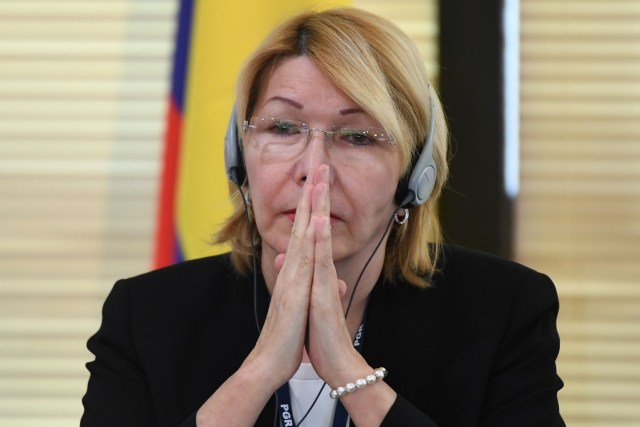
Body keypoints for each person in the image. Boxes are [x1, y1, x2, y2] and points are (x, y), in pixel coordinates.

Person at [81, 7, 564, 427]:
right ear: (238, 156)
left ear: (414, 174)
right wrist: (260, 371)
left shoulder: (503, 311)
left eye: (357, 137)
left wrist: (348, 372)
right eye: (283, 128)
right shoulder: (145, 316)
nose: (315, 172)